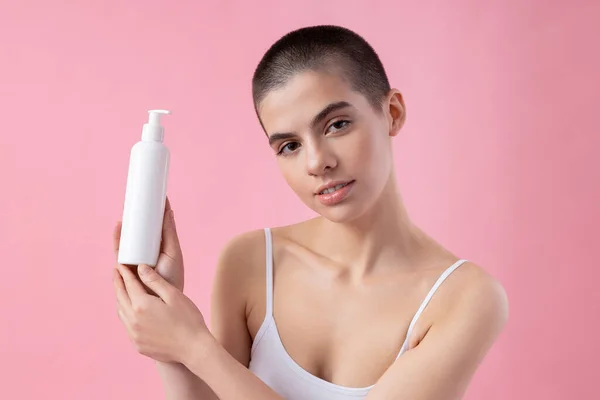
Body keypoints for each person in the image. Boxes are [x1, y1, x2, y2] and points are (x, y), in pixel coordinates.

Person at [112, 25, 509, 400]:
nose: (317, 163)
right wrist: (165, 331)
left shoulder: (465, 298)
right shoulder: (252, 260)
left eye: (337, 125)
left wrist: (195, 346)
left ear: (392, 112)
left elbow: (207, 360)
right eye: (289, 146)